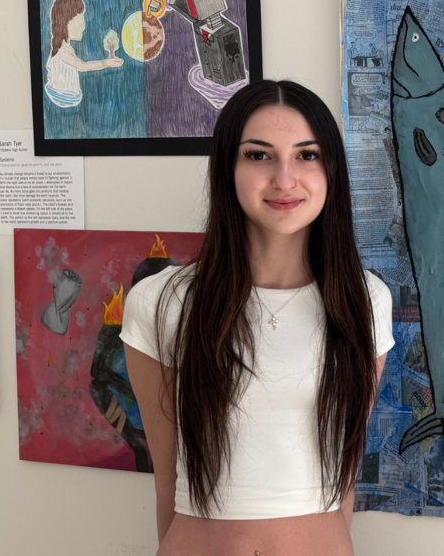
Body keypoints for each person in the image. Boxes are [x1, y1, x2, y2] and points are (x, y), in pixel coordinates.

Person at [122, 80, 394, 556]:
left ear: (331, 168)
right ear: (227, 166)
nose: (285, 179)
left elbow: (343, 477)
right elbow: (168, 479)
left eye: (307, 155)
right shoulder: (161, 301)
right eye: (259, 155)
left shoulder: (364, 301)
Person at [45, 0, 124, 108]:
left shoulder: (67, 48)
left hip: (71, 97)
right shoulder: (61, 51)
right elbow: (83, 66)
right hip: (61, 97)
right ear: (65, 23)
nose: (83, 26)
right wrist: (107, 63)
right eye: (79, 20)